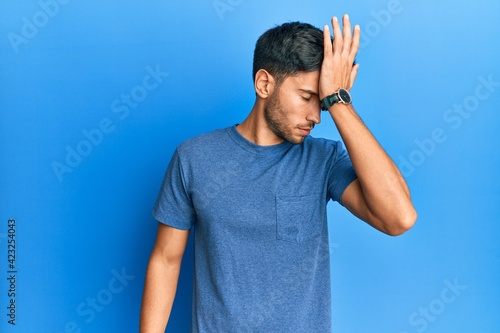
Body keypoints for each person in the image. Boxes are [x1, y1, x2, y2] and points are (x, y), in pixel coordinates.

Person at [140, 14, 417, 333]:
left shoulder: (324, 159)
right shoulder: (193, 158)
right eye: (306, 97)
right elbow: (165, 259)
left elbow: (399, 218)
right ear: (264, 84)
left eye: (322, 102)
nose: (316, 116)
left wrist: (338, 101)